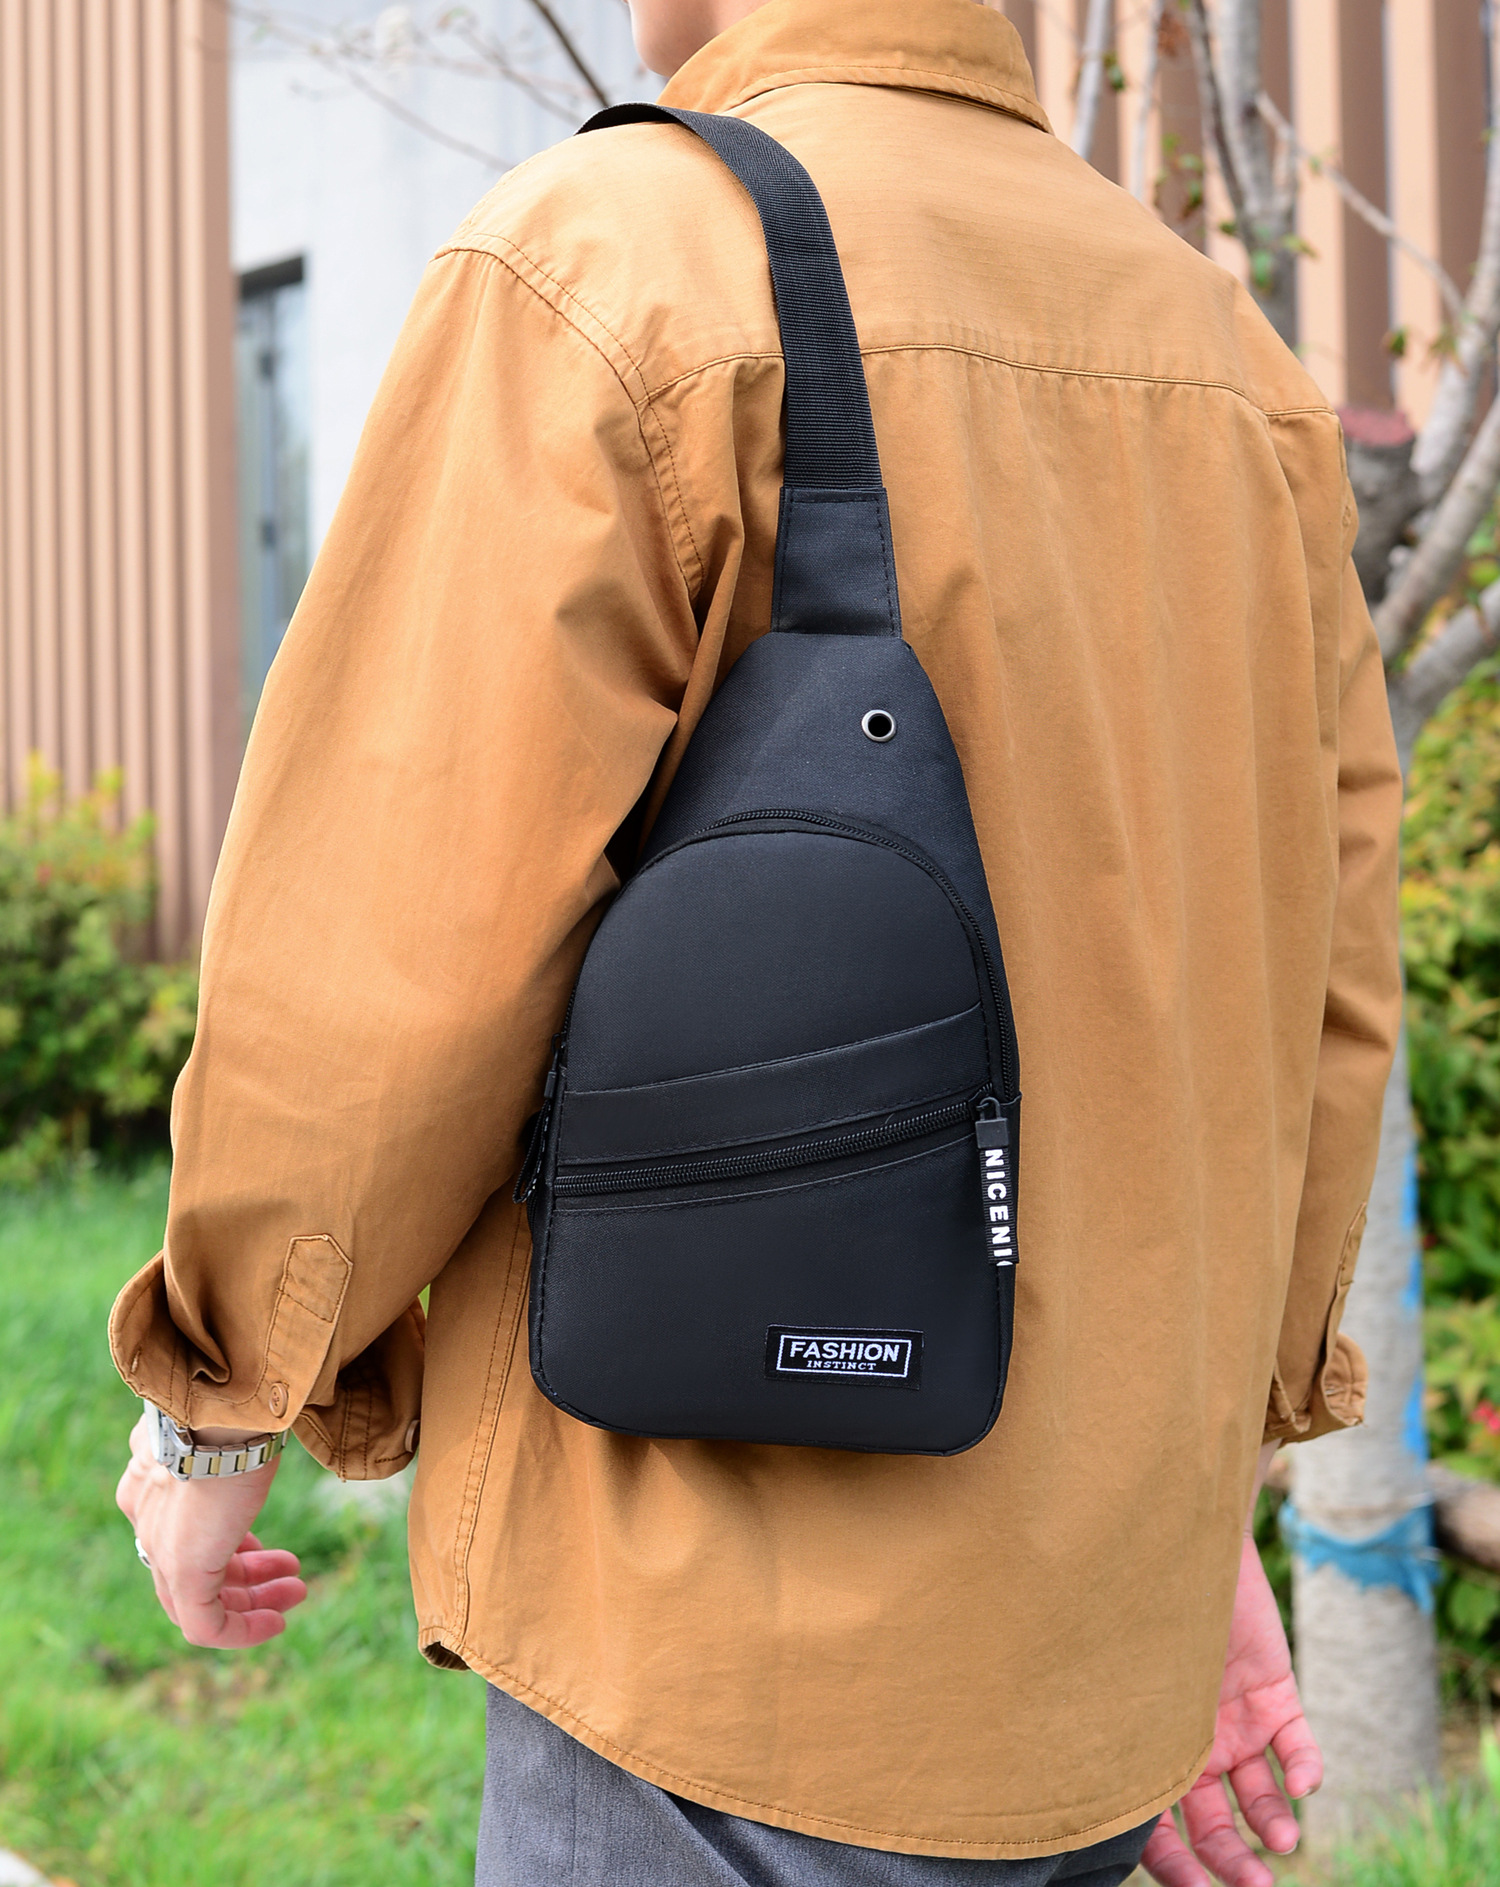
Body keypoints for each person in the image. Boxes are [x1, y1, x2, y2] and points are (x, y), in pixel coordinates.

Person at [113, 2, 1403, 1883]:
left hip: (723, 1655)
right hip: (1100, 1679)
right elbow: (1314, 995)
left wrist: (218, 1411)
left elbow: (389, 962)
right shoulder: (1221, 348)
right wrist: (1207, 1498)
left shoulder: (618, 260)